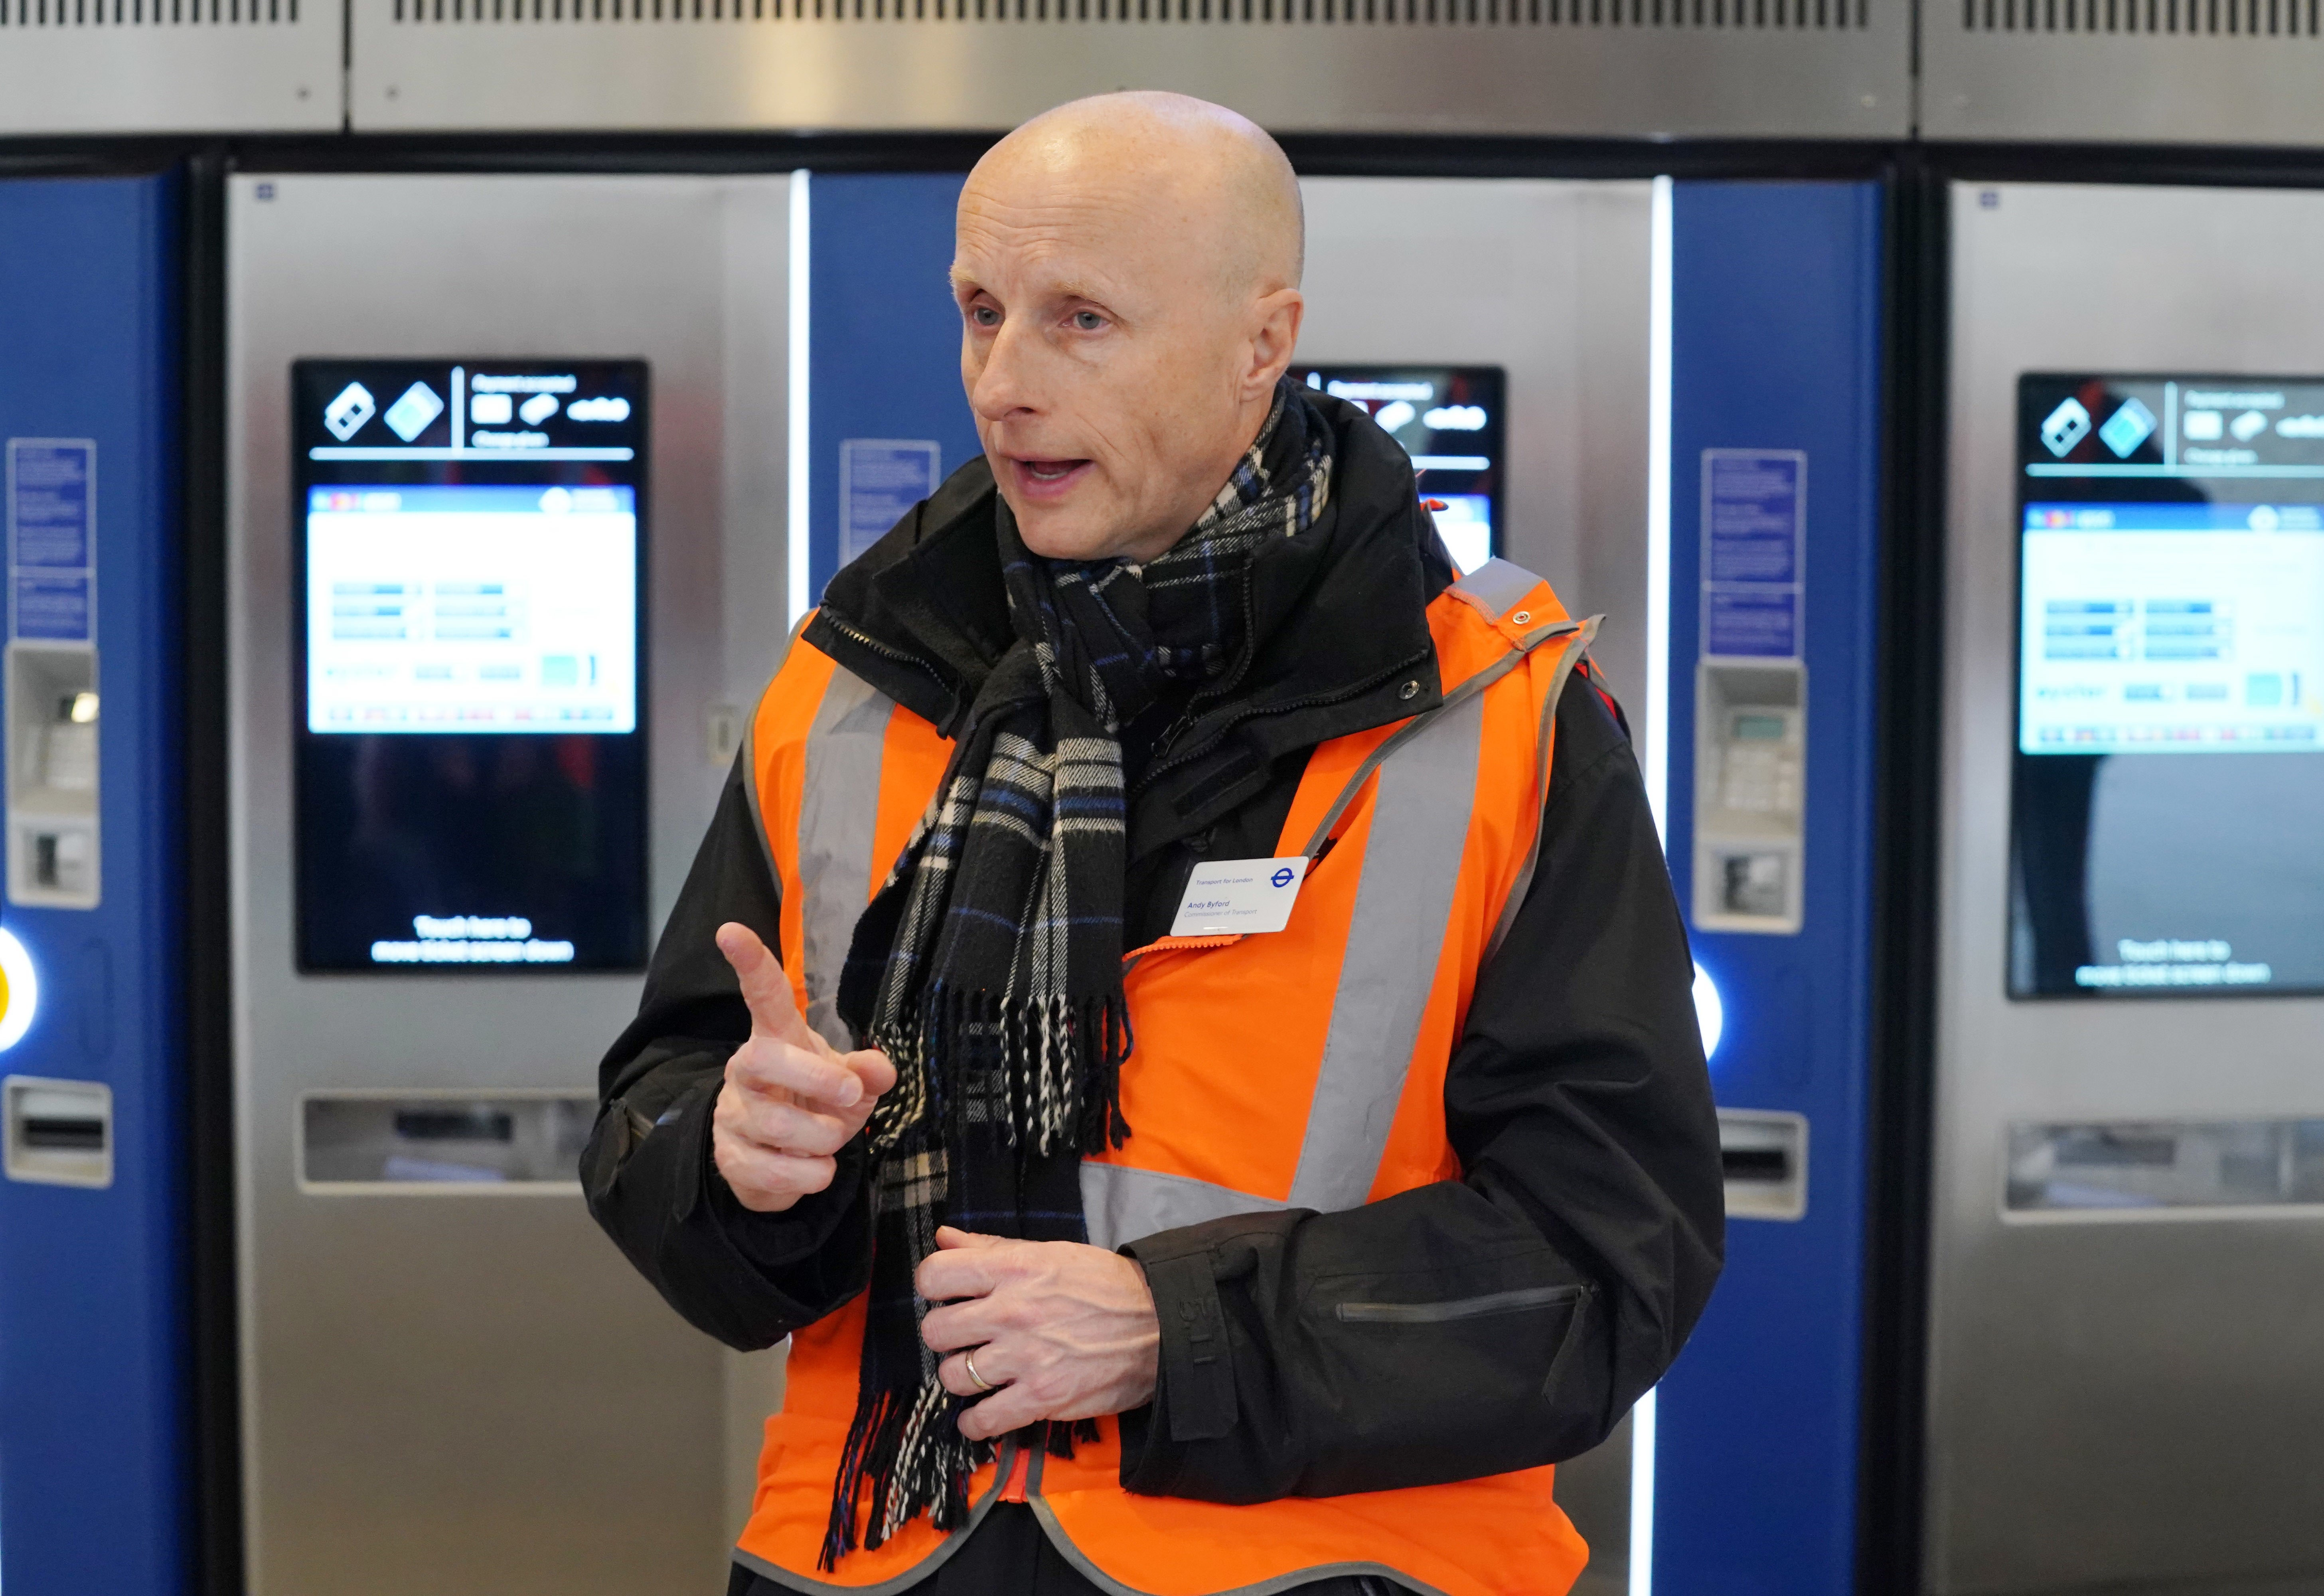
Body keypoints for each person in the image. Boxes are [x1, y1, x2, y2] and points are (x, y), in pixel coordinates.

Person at [583, 91, 1723, 1596]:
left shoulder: (1498, 712)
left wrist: (1168, 1333)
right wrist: (735, 1164)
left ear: (1264, 344)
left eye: (1082, 322)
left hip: (1332, 1571)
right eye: (981, 313)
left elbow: (1607, 1255)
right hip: (872, 1555)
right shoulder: (852, 684)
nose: (1003, 381)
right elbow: (659, 1116)